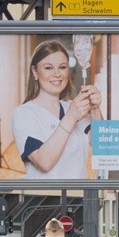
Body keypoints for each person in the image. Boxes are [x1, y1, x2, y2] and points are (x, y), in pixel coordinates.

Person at [11, 39, 103, 180]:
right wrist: (71, 118)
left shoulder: (73, 107)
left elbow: (101, 145)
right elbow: (44, 162)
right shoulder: (24, 113)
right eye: (48, 68)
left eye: (62, 67)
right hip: (44, 199)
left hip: (78, 198)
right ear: (35, 72)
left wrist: (95, 108)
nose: (57, 74)